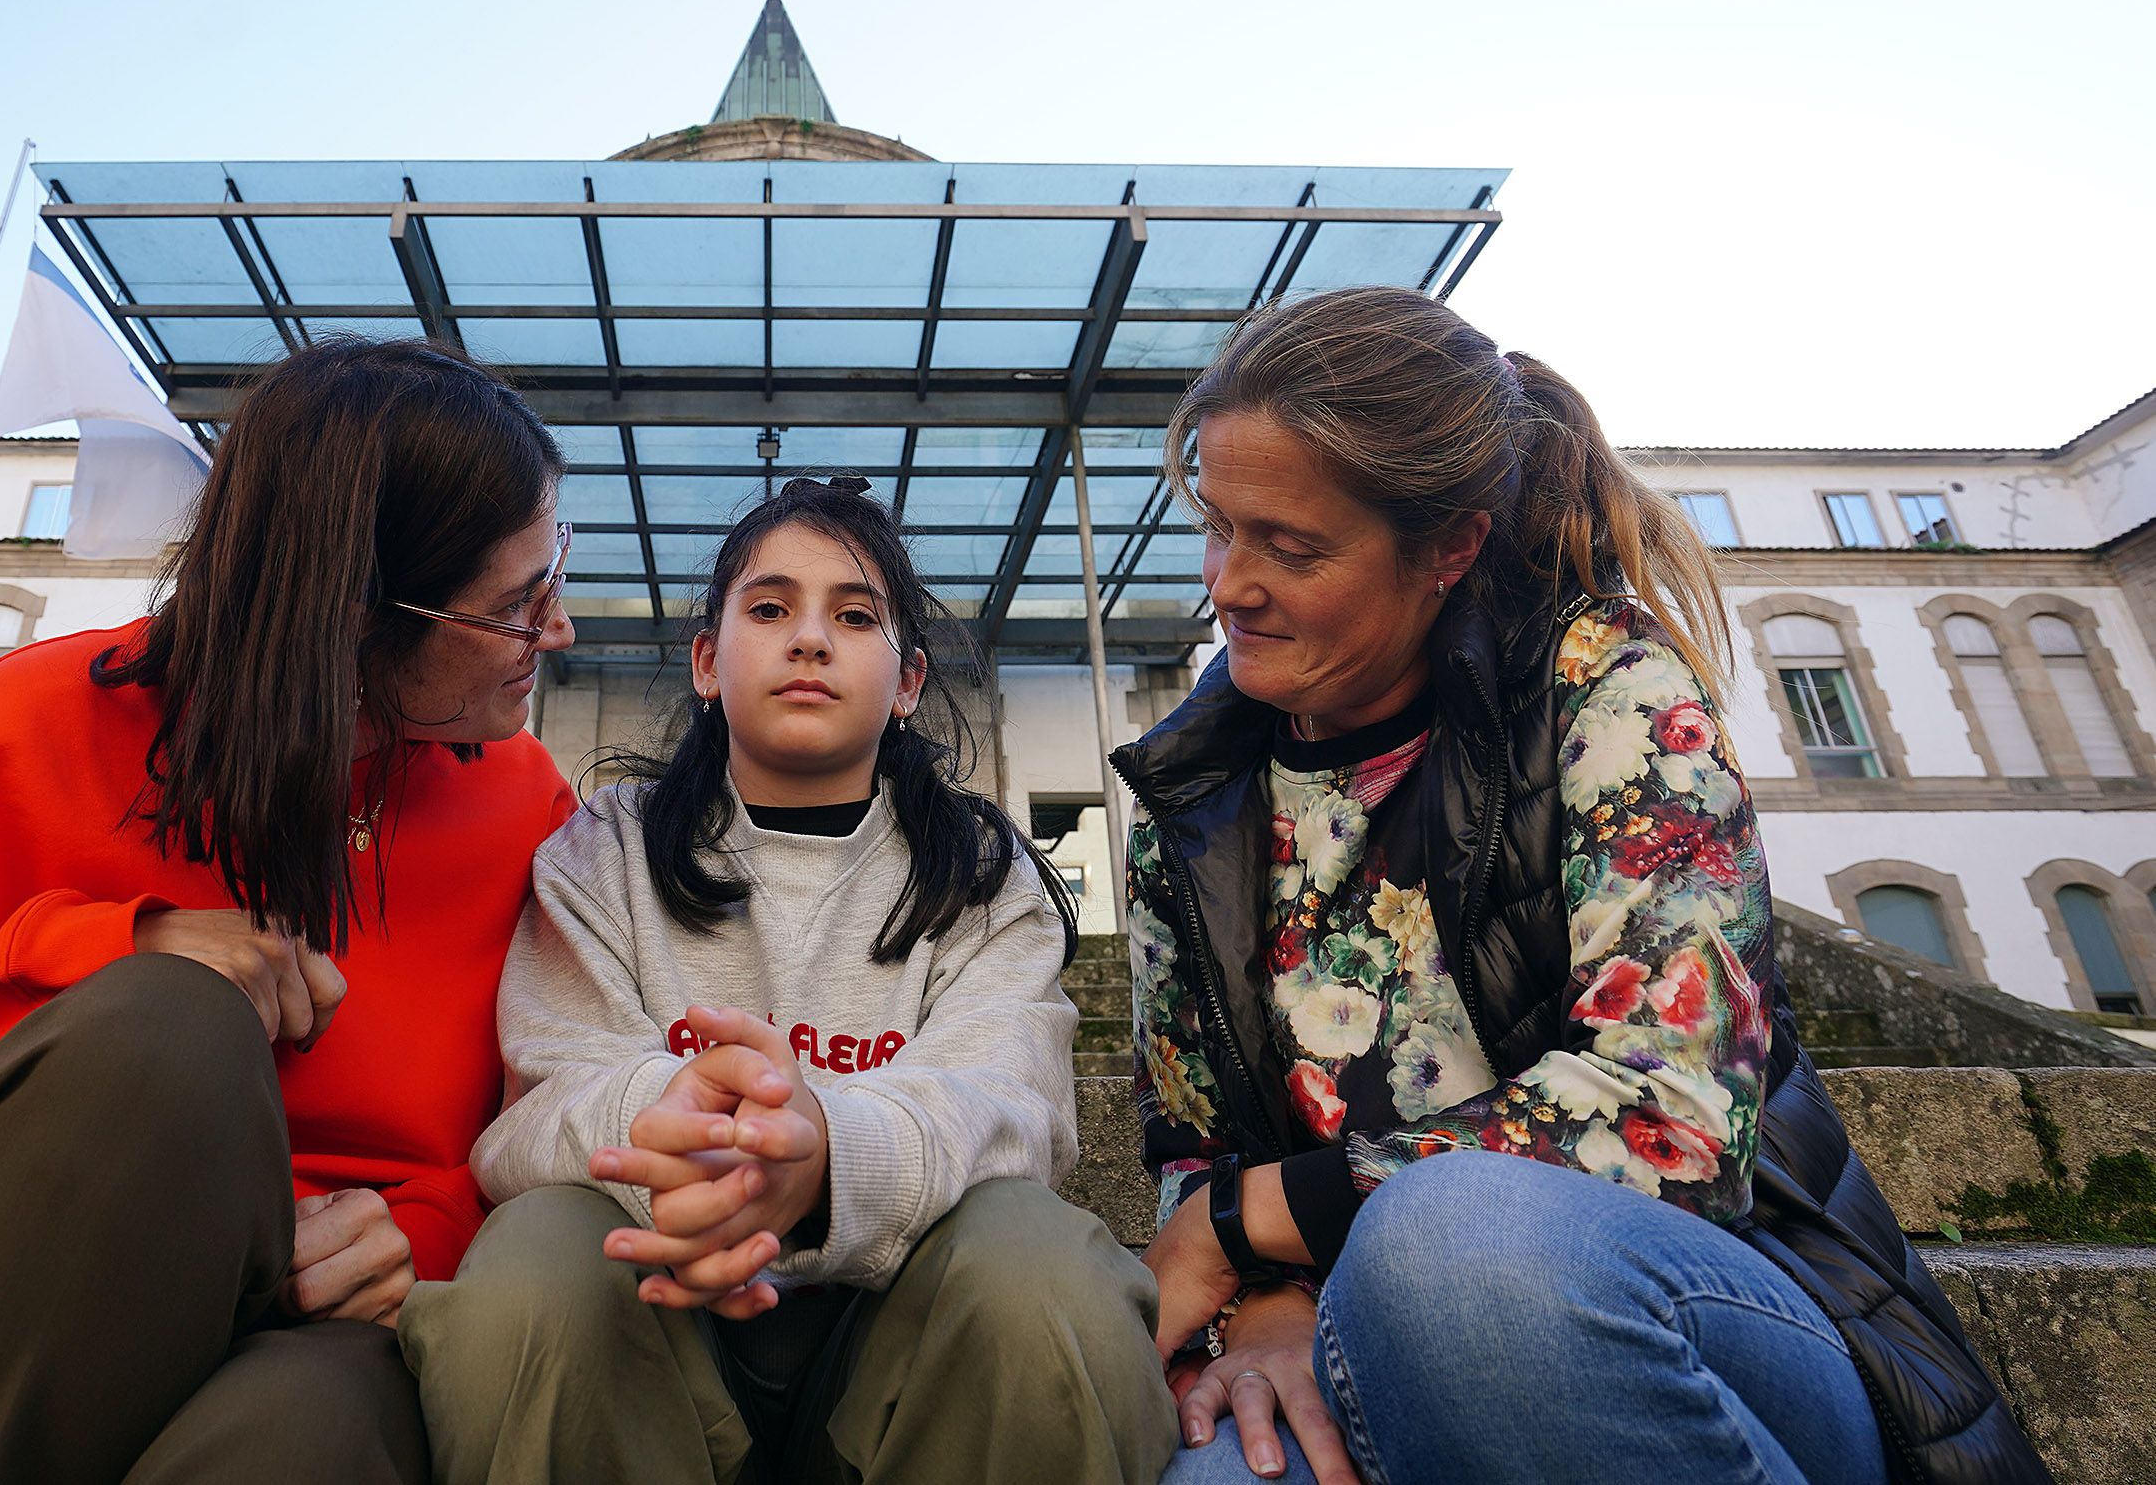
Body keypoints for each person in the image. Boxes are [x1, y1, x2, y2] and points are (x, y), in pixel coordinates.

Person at [1121, 288, 2047, 1485]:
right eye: (1217, 525)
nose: (1226, 586)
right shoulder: (1192, 793)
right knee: (1213, 1473)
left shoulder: (1603, 689)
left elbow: (1670, 1121)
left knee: (1455, 1242)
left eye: (1289, 546)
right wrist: (1254, 1312)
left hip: (1692, 1318)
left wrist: (1260, 1215)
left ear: (1448, 548)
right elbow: (1191, 1142)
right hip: (1348, 1318)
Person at [0, 338, 580, 1484]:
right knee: (169, 1026)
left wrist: (424, 1238)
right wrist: (88, 961)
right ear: (354, 616)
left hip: (307, 1357)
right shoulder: (31, 725)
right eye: (520, 601)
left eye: (554, 572)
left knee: (312, 1430)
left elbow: (530, 1141)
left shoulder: (525, 802)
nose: (559, 629)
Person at [399, 476, 1177, 1484]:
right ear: (707, 662)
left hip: (904, 1332)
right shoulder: (602, 848)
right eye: (769, 608)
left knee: (1038, 1255)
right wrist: (677, 1120)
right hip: (653, 1322)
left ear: (905, 682)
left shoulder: (987, 877)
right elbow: (545, 1094)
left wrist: (820, 1162)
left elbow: (1012, 1111)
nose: (809, 639)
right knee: (536, 1252)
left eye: (854, 616)